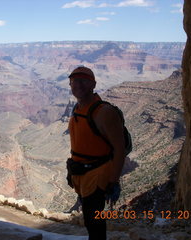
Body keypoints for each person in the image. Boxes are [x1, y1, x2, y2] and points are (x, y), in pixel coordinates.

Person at [66, 66, 126, 240]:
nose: (78, 85)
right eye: (74, 81)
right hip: (80, 172)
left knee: (94, 221)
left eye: (83, 81)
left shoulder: (104, 112)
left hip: (98, 175)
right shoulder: (77, 108)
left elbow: (119, 150)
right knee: (90, 218)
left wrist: (113, 181)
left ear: (93, 84)